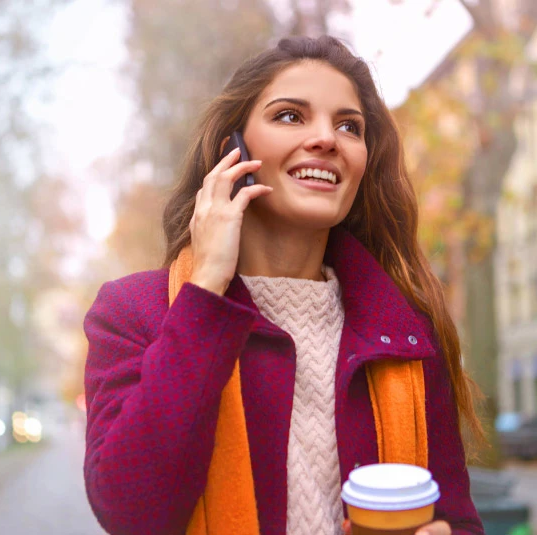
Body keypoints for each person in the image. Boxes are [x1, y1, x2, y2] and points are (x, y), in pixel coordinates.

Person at [83, 35, 485, 535]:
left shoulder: (403, 331)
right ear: (233, 152)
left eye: (349, 126)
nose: (327, 139)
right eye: (291, 116)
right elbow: (131, 510)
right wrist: (206, 289)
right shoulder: (134, 312)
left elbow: (459, 519)